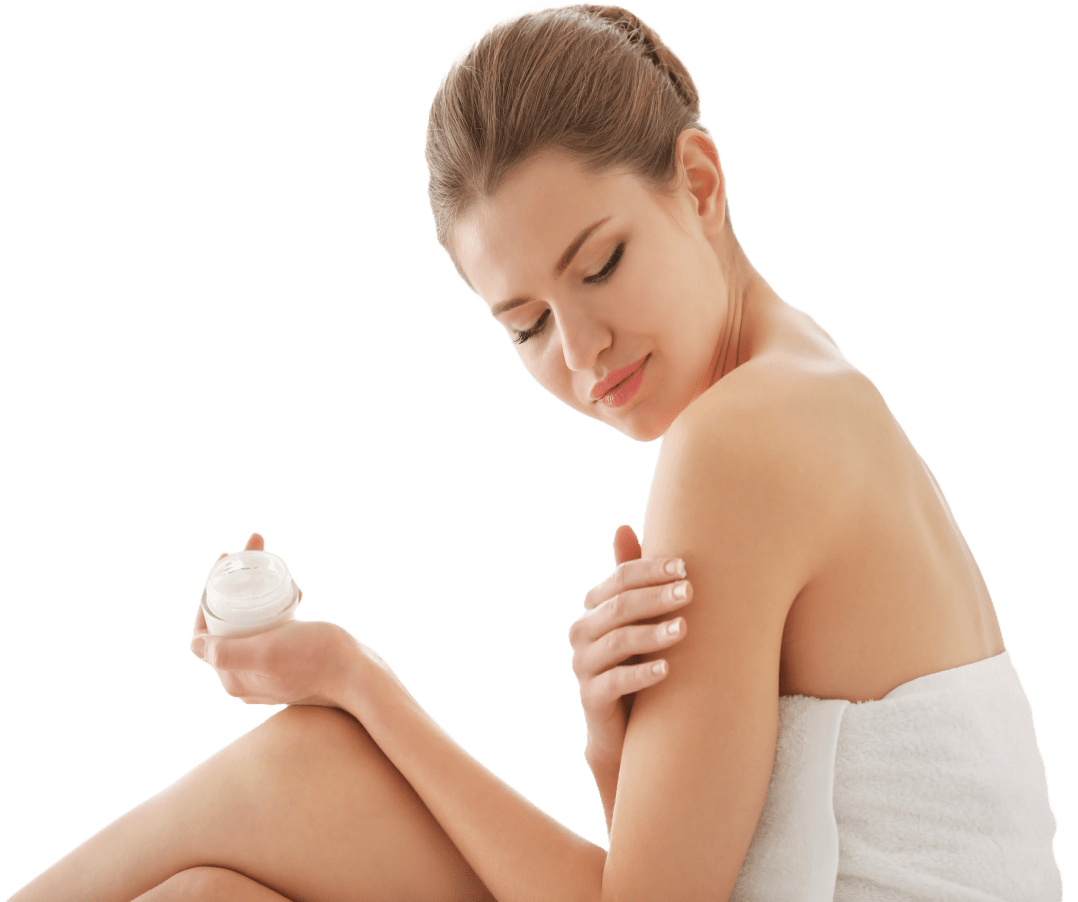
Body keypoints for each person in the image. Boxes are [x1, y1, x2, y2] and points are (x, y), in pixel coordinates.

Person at [10, 2, 1062, 901]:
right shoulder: (805, 386)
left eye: (599, 265)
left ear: (699, 183)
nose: (581, 348)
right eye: (525, 324)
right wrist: (613, 748)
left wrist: (357, 680)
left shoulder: (742, 435)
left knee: (313, 758)